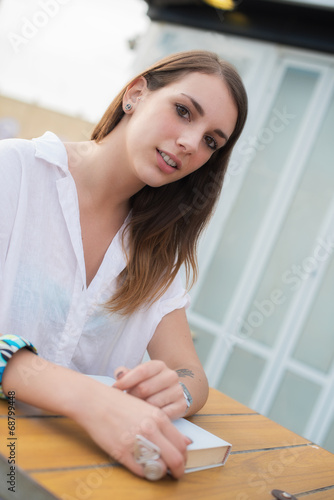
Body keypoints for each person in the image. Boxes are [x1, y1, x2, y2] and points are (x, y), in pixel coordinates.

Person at [0, 50, 247, 481]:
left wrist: (177, 391)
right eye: (184, 111)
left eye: (212, 141)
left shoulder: (156, 246)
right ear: (135, 94)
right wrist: (91, 400)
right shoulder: (13, 172)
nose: (191, 143)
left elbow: (191, 373)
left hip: (72, 473)